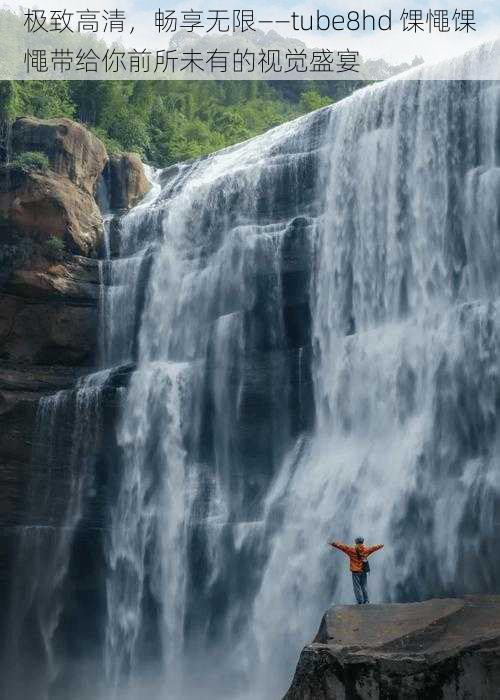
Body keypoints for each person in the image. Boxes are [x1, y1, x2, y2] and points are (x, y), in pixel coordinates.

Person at [329, 537, 384, 604]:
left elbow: (342, 547)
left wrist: (333, 544)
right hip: (363, 571)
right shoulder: (366, 550)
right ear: (362, 542)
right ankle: (366, 600)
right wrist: (381, 545)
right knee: (364, 586)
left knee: (357, 587)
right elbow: (374, 548)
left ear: (356, 542)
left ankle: (360, 601)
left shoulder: (351, 550)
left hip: (355, 571)